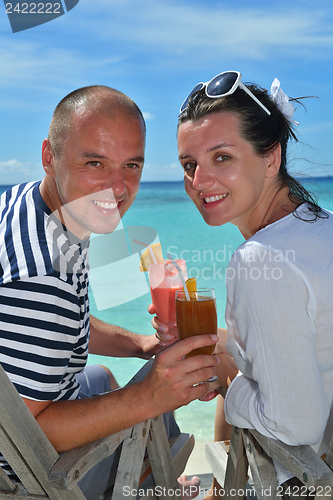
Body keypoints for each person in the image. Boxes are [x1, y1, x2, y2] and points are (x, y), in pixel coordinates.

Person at [0, 85, 221, 500]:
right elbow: (28, 435)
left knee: (101, 376)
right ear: (50, 156)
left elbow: (59, 326)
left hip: (24, 400)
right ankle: (154, 482)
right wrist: (144, 398)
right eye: (94, 162)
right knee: (151, 405)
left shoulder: (33, 205)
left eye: (131, 165)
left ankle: (149, 474)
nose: (117, 188)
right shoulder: (42, 277)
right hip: (22, 471)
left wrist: (141, 343)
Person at [154, 71, 333, 499]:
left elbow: (293, 425)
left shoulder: (259, 259)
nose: (198, 182)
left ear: (271, 158)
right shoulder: (319, 231)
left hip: (296, 482)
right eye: (189, 165)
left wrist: (222, 376)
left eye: (222, 158)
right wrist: (215, 343)